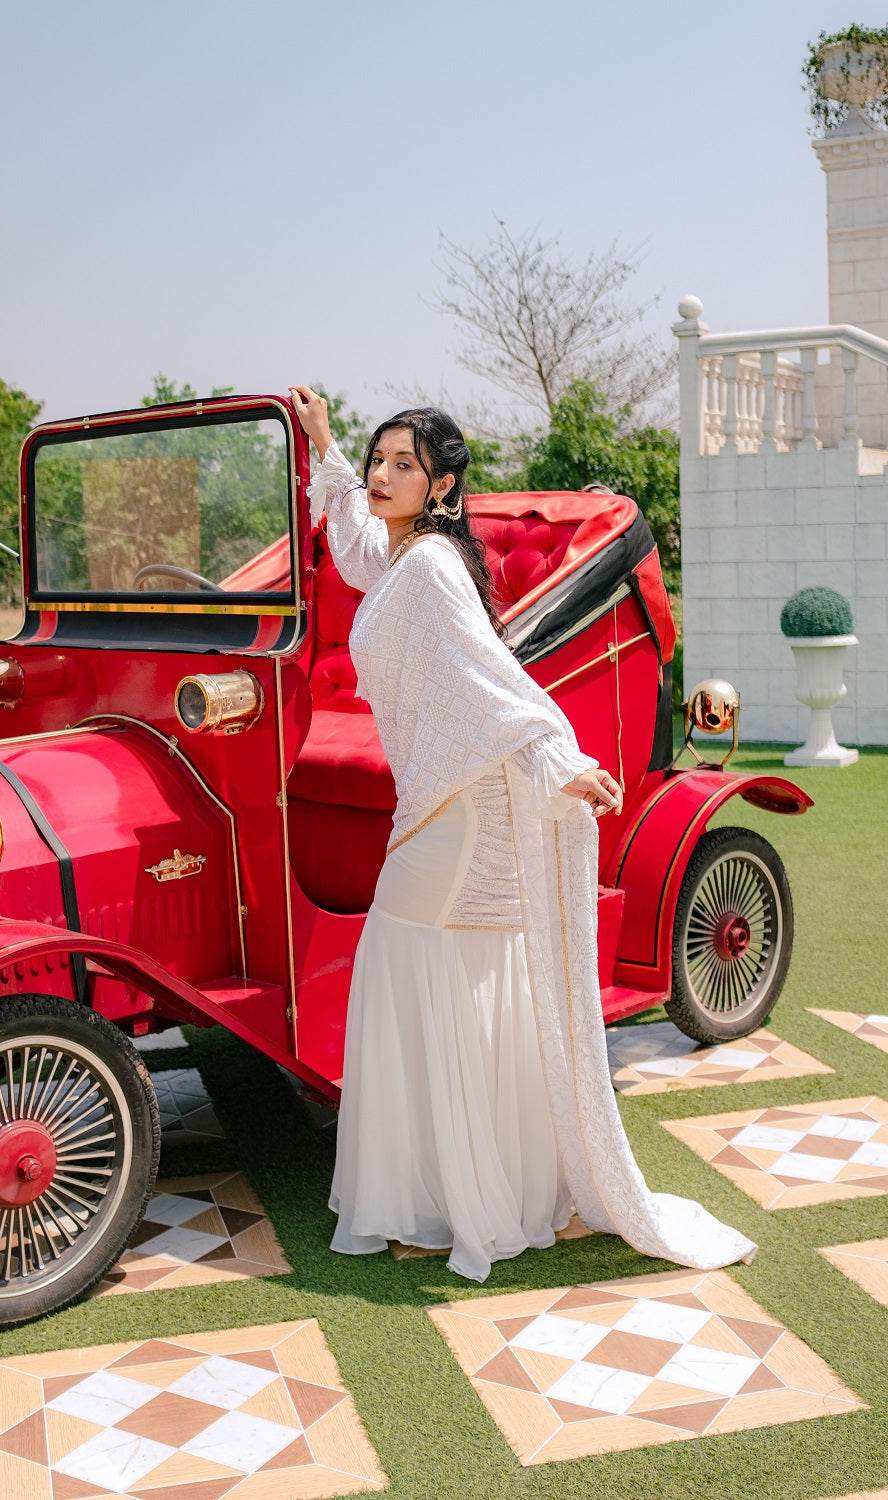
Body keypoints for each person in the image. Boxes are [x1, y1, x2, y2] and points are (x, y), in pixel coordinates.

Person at [288, 385, 758, 1283]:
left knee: (431, 965)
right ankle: (450, 1193)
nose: (383, 477)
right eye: (379, 461)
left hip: (467, 809)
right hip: (441, 796)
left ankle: (475, 1201)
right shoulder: (395, 559)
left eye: (403, 465)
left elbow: (491, 677)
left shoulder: (427, 570)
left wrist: (556, 759)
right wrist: (325, 449)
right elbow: (349, 547)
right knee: (420, 968)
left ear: (442, 485)